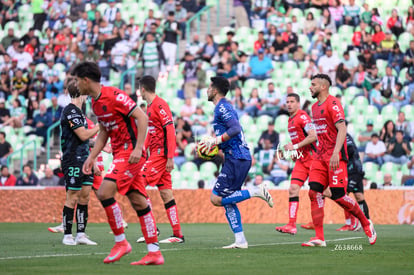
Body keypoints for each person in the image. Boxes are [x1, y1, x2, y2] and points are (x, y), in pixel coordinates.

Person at [72, 61, 164, 265]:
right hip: (121, 154)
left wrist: (139, 148)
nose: (76, 85)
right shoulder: (95, 103)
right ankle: (154, 252)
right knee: (139, 201)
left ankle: (121, 242)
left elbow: (142, 117)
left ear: (86, 80)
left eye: (77, 81)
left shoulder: (114, 95)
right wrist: (92, 156)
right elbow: (104, 131)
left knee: (104, 192)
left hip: (130, 153)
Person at [198, 76, 274, 249]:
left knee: (216, 199)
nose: (207, 90)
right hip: (237, 157)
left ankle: (256, 191)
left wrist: (216, 141)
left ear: (215, 90)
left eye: (210, 87)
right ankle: (240, 240)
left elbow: (235, 129)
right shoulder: (222, 107)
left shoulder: (222, 106)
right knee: (228, 200)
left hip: (237, 157)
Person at [302, 74, 376, 247]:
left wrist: (336, 152)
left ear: (323, 87)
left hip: (335, 157)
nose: (310, 87)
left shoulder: (333, 103)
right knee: (313, 192)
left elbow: (342, 128)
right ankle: (319, 237)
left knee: (339, 195)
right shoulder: (314, 107)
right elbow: (320, 133)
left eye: (313, 85)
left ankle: (366, 223)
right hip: (320, 157)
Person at [136, 75, 184, 244]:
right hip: (155, 154)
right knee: (165, 193)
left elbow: (170, 131)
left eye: (139, 89)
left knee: (138, 183)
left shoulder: (160, 104)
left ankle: (152, 228)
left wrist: (170, 157)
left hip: (161, 155)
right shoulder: (149, 107)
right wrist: (143, 150)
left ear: (143, 89)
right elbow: (152, 131)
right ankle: (177, 234)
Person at [59, 77, 100, 246]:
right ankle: (67, 235)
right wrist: (100, 126)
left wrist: (96, 152)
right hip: (72, 160)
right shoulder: (70, 111)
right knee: (73, 197)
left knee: (85, 197)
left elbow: (83, 140)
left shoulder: (80, 113)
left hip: (84, 159)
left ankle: (81, 234)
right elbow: (83, 134)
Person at [275, 93, 317, 235]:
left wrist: (296, 146)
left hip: (313, 159)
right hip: (301, 160)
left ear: (298, 103)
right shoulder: (290, 120)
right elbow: (299, 141)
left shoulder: (303, 116)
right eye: (287, 102)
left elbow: (313, 136)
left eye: (292, 101)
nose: (289, 104)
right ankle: (292, 225)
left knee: (325, 192)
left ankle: (354, 214)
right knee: (293, 189)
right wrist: (295, 151)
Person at [336, 133, 371, 231]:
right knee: (359, 196)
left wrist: (337, 155)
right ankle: (365, 222)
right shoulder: (335, 135)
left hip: (354, 170)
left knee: (343, 195)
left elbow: (350, 150)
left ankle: (351, 223)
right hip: (351, 171)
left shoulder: (344, 136)